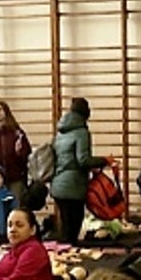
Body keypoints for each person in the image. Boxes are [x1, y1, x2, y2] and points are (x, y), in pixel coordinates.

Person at [52, 97, 104, 244]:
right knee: (73, 228)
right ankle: (69, 259)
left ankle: (63, 258)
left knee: (65, 228)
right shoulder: (82, 132)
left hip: (58, 184)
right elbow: (83, 160)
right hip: (73, 185)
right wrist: (104, 161)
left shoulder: (61, 131)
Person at [0, 100, 31, 203]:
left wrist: (19, 152)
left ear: (6, 112)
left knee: (15, 206)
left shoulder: (17, 132)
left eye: (0, 109)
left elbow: (27, 155)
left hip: (15, 177)